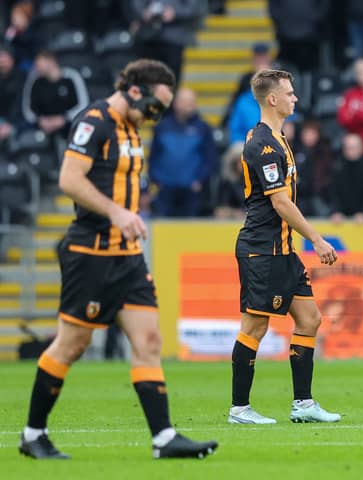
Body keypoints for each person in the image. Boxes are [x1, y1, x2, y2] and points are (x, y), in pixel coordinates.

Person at [19, 59, 218, 459]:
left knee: (148, 340)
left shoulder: (130, 126)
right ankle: (32, 434)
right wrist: (117, 212)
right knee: (72, 344)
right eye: (154, 107)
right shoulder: (95, 121)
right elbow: (69, 180)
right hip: (91, 253)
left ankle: (163, 439)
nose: (155, 117)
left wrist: (131, 213)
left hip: (127, 257)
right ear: (133, 92)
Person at [230, 68, 340, 424]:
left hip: (281, 250)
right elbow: (280, 203)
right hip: (261, 249)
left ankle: (303, 404)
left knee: (309, 319)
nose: (295, 98)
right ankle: (240, 409)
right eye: (290, 93)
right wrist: (317, 239)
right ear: (273, 99)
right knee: (254, 328)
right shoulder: (262, 143)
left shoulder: (278, 138)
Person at [148, 87, 218, 217]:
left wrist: (199, 180)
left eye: (191, 102)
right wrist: (156, 179)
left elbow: (210, 159)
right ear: (175, 103)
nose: (188, 105)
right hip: (166, 189)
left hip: (191, 190)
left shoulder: (203, 129)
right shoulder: (162, 127)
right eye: (184, 101)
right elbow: (153, 156)